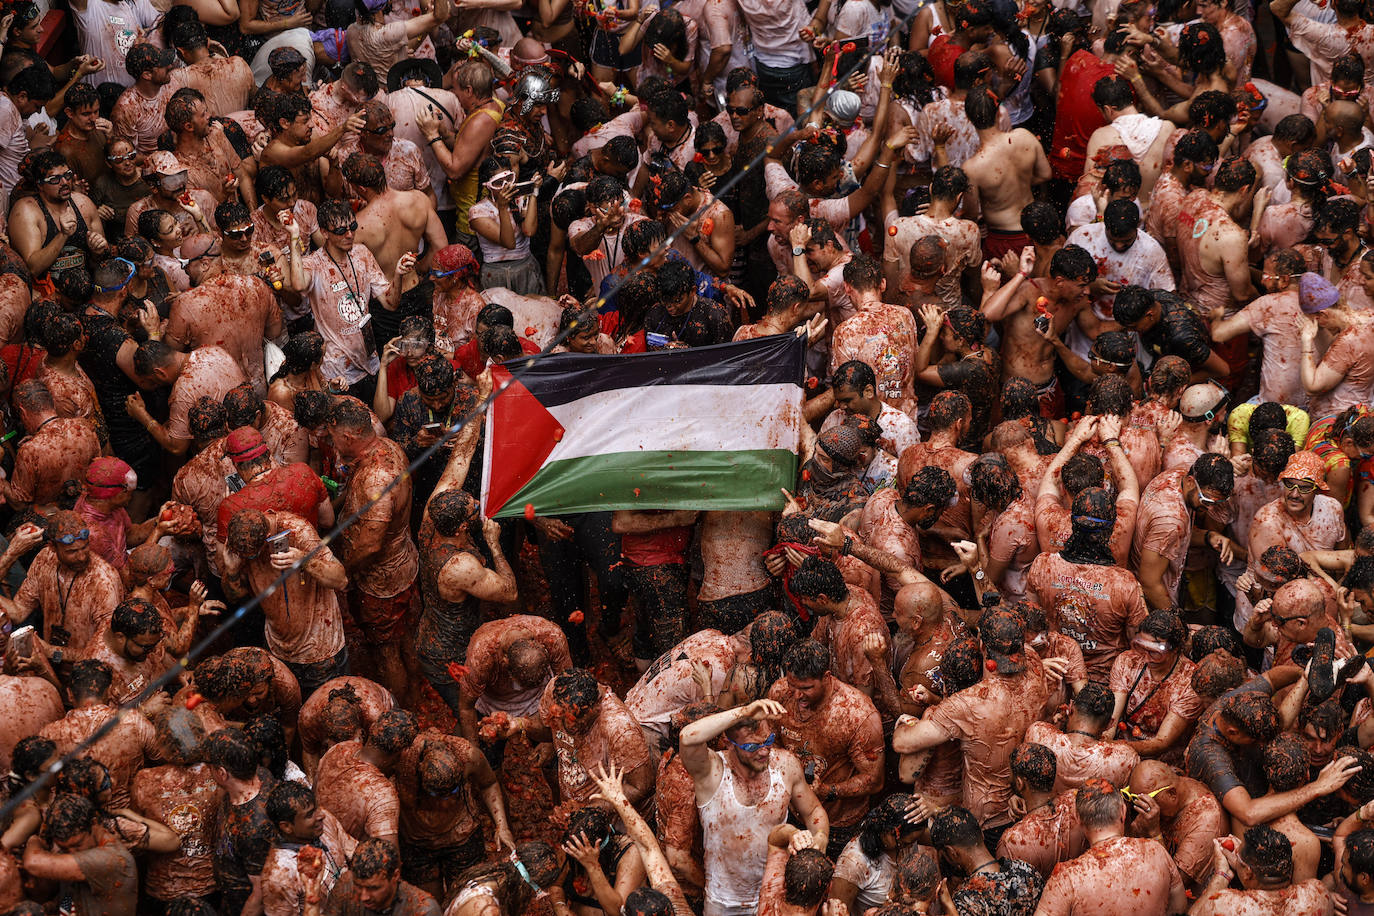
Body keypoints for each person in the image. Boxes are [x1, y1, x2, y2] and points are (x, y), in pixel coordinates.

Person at [678, 698, 829, 915]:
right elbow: (688, 737)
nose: (764, 751)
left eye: (768, 741)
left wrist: (821, 836)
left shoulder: (785, 766)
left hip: (775, 889)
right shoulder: (712, 773)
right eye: (752, 746)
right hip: (724, 901)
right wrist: (743, 712)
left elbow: (813, 811)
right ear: (730, 743)